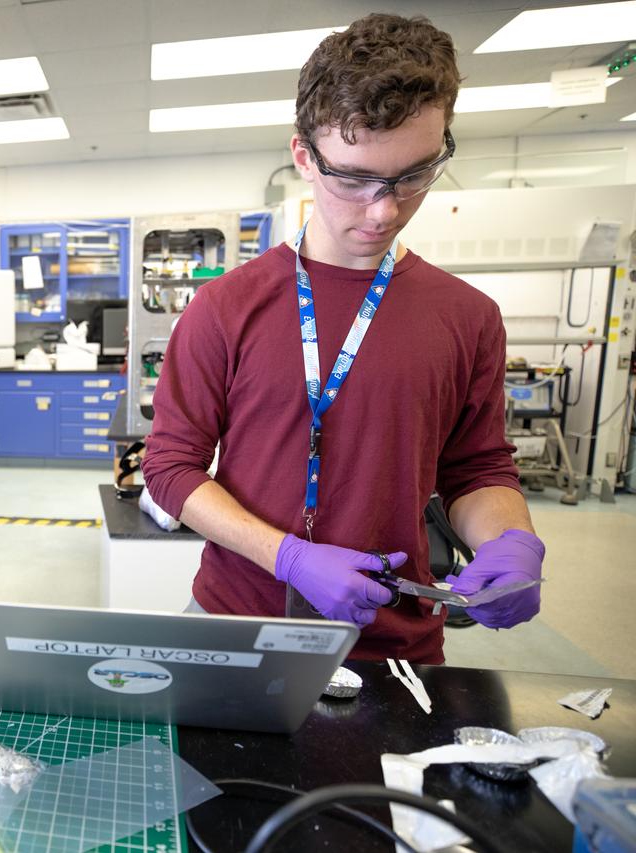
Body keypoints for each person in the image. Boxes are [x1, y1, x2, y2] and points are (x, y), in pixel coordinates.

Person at [142, 14, 544, 663]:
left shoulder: (468, 317)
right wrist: (289, 556)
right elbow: (168, 469)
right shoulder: (225, 308)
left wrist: (509, 542)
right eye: (354, 178)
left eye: (413, 175)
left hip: (395, 642)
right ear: (304, 155)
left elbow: (476, 468)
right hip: (237, 623)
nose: (383, 209)